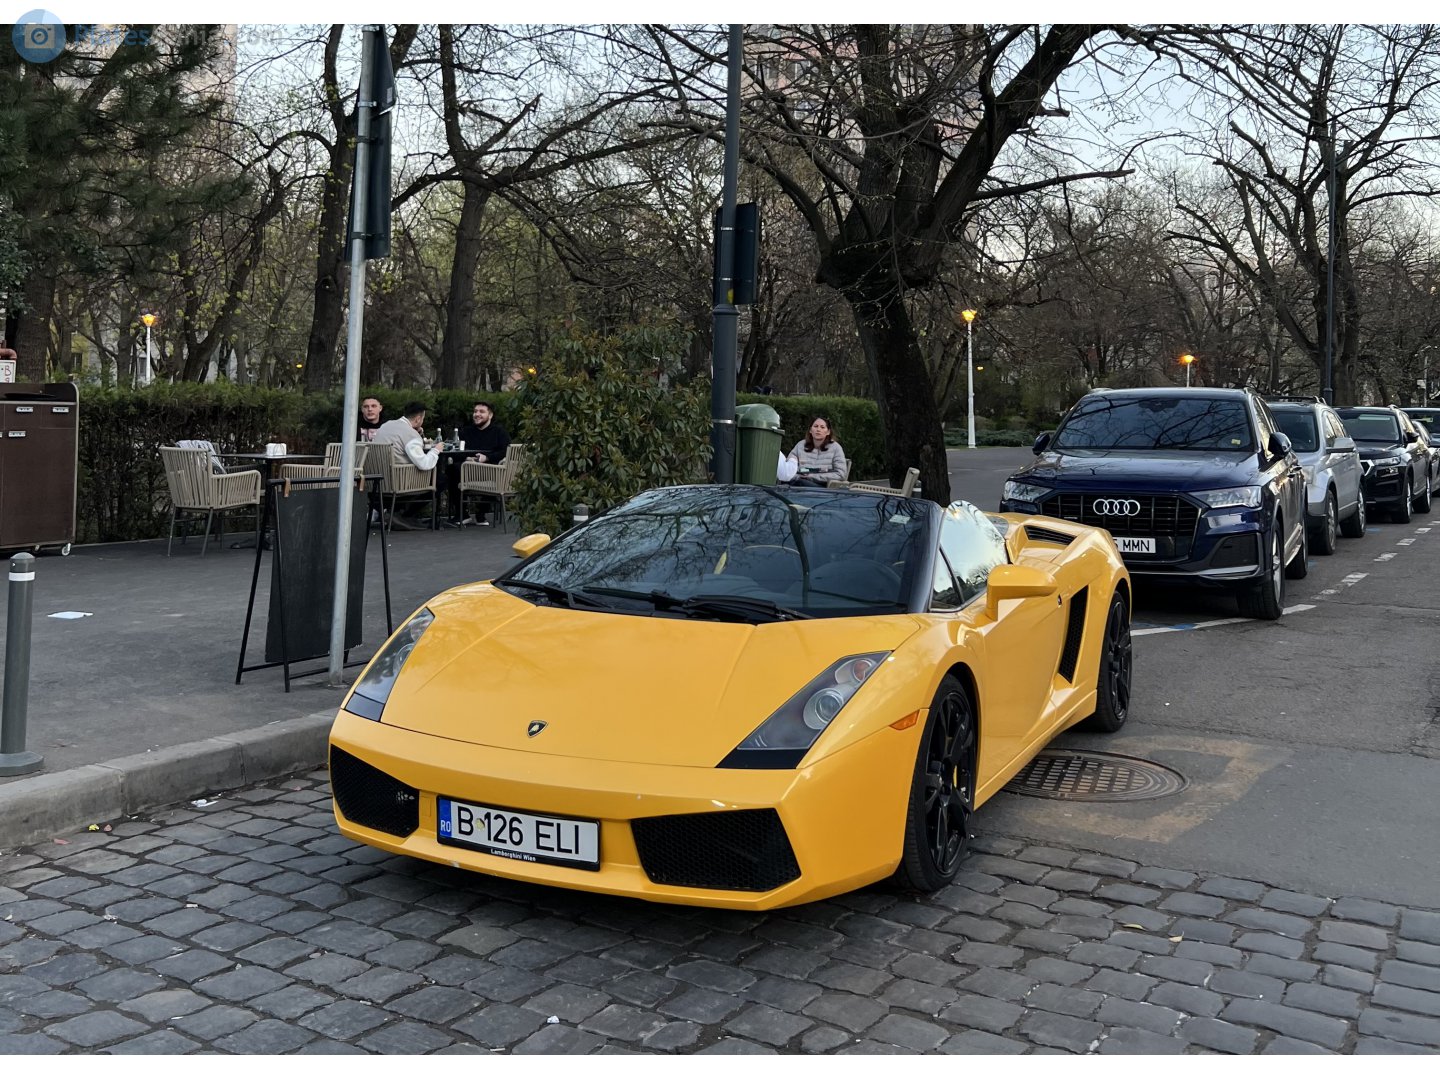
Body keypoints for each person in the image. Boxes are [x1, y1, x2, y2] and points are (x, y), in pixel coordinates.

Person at [373, 402, 440, 529]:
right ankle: (404, 515)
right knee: (440, 479)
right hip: (400, 481)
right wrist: (436, 450)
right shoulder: (411, 435)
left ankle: (397, 513)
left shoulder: (386, 425)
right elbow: (425, 464)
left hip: (379, 480)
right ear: (418, 419)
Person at [446, 400, 511, 526]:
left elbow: (506, 451)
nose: (477, 414)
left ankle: (481, 514)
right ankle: (462, 514)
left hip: (490, 471)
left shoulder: (499, 432)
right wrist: (468, 458)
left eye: (482, 411)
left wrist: (487, 457)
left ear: (490, 415)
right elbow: (456, 450)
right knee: (451, 469)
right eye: (475, 411)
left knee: (496, 473)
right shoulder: (466, 432)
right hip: (469, 470)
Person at [785, 416, 848, 487]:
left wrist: (813, 477)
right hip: (798, 482)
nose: (818, 429)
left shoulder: (836, 448)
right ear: (810, 430)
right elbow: (788, 468)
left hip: (822, 488)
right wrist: (798, 476)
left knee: (801, 483)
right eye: (815, 426)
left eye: (822, 427)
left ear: (828, 432)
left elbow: (840, 474)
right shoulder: (800, 445)